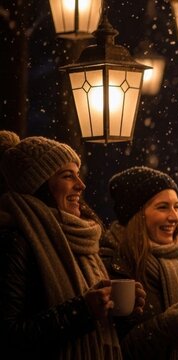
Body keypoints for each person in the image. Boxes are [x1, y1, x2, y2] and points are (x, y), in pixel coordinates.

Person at [0, 136, 144, 358]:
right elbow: (10, 336)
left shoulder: (83, 240)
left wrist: (123, 314)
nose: (81, 185)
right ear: (39, 185)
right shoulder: (16, 241)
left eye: (78, 174)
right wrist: (82, 311)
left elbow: (101, 333)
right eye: (68, 176)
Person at [100, 166, 178, 359]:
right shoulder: (114, 264)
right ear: (136, 215)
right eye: (162, 207)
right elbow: (114, 349)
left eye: (176, 206)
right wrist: (165, 326)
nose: (174, 216)